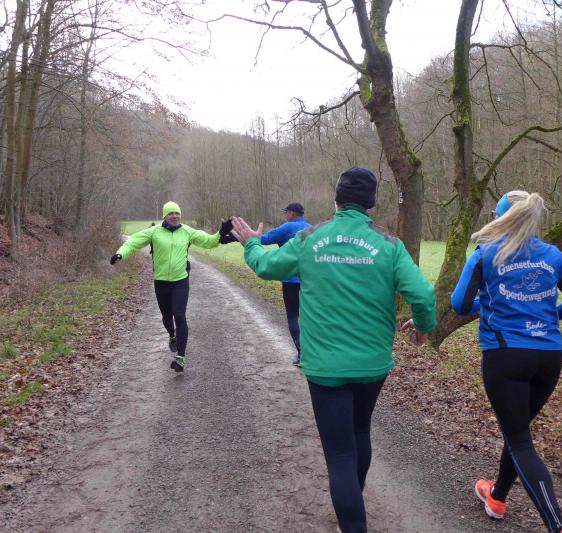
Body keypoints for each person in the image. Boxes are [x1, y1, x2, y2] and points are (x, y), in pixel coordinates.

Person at [230, 166, 436, 533]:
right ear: (371, 203)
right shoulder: (390, 245)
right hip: (372, 364)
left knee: (340, 452)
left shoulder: (310, 238)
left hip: (325, 367)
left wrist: (251, 243)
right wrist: (422, 325)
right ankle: (352, 500)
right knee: (360, 431)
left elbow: (265, 266)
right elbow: (422, 294)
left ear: (336, 199)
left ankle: (350, 516)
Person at [450, 190, 562, 533]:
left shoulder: (485, 254)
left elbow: (459, 304)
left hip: (505, 356)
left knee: (520, 441)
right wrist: (545, 316)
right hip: (549, 358)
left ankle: (559, 527)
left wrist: (490, 307)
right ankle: (497, 497)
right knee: (517, 431)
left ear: (500, 218)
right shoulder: (554, 255)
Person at [110, 201, 234, 372]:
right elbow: (133, 242)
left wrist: (221, 232)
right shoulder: (154, 232)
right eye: (171, 213)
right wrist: (120, 254)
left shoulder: (187, 231)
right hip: (161, 282)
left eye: (177, 213)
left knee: (180, 315)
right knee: (167, 316)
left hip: (180, 280)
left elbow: (209, 241)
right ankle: (172, 335)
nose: (175, 216)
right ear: (164, 216)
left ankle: (180, 357)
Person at [259, 202, 311, 365]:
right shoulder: (312, 228)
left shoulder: (287, 227)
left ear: (292, 213)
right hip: (309, 280)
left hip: (290, 280)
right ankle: (314, 352)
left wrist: (251, 235)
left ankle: (302, 354)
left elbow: (264, 239)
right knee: (309, 317)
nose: (285, 215)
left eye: (286, 212)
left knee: (292, 317)